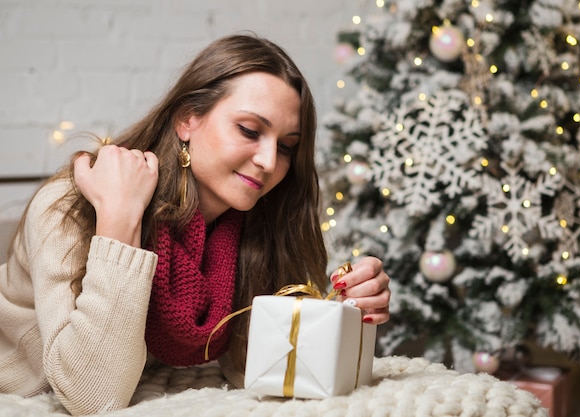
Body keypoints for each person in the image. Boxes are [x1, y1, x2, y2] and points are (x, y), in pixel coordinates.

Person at [0, 33, 391, 416]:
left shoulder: (250, 227)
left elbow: (252, 367)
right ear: (188, 119)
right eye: (250, 131)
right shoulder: (72, 204)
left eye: (287, 145)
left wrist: (341, 312)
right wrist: (120, 220)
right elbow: (91, 396)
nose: (270, 162)